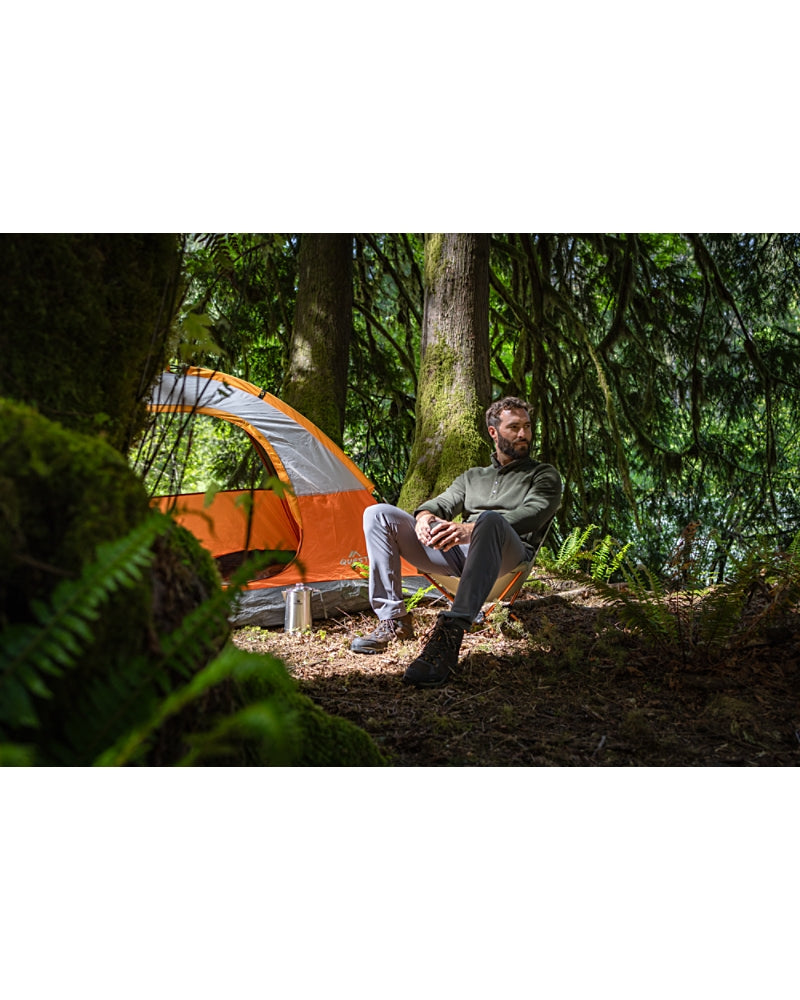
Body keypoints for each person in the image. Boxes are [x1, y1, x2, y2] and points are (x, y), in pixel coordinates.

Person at [350, 397, 562, 688]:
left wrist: (471, 529)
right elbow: (442, 503)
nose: (523, 434)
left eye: (526, 426)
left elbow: (534, 513)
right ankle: (394, 620)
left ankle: (451, 633)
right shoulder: (473, 477)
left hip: (507, 558)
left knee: (490, 520)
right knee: (377, 514)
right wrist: (424, 517)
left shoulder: (543, 474)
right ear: (493, 432)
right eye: (514, 427)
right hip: (459, 555)